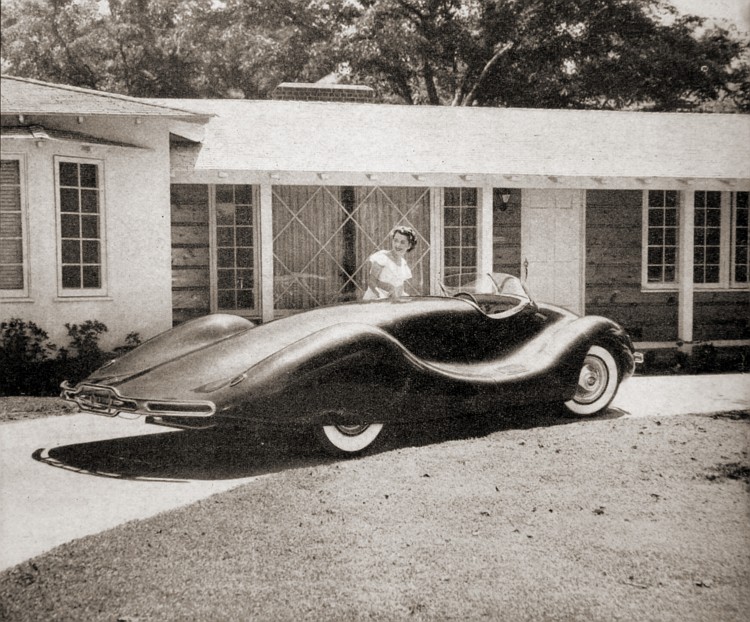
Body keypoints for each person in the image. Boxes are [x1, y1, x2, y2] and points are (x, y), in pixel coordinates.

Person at [363, 225, 418, 300]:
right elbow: (371, 282)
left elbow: (400, 289)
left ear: (409, 245)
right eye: (395, 240)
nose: (397, 245)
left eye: (402, 242)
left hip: (391, 302)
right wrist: (381, 297)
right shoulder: (382, 257)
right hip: (375, 299)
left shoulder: (403, 264)